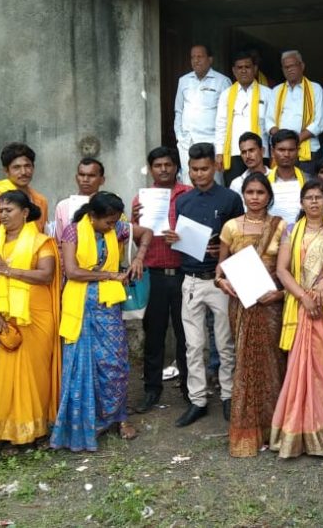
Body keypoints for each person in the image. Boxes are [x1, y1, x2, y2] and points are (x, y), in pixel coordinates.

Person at [50, 191, 142, 450]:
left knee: (116, 363)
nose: (112, 226)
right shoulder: (73, 232)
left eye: (115, 221)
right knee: (81, 366)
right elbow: (73, 271)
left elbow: (145, 234)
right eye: (108, 222)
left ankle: (119, 417)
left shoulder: (117, 229)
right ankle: (87, 423)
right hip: (80, 306)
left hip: (108, 308)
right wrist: (110, 275)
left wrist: (138, 258)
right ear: (92, 216)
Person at [271, 180, 323, 458]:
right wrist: (303, 297)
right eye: (309, 198)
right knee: (301, 367)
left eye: (319, 197)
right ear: (302, 202)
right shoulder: (291, 232)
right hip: (302, 306)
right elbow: (282, 270)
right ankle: (300, 430)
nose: (314, 202)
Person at [168, 142, 245, 427]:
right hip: (190, 279)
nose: (199, 174)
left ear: (214, 167)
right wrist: (173, 239)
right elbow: (181, 236)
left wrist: (223, 251)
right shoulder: (183, 201)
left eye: (204, 169)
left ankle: (228, 396)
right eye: (194, 169)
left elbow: (240, 238)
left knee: (225, 343)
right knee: (194, 345)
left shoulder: (230, 199)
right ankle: (197, 400)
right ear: (188, 169)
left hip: (220, 280)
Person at [0, 190, 61, 451]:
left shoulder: (42, 242)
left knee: (35, 375)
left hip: (36, 318)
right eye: (1, 210)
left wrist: (7, 270)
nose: (3, 215)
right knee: (2, 376)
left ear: (25, 212)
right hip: (3, 319)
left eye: (9, 210)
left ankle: (35, 432)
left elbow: (45, 275)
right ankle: (7, 434)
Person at [215, 173, 287, 457]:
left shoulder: (281, 226)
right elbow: (220, 267)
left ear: (269, 196)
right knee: (245, 362)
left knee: (274, 362)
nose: (255, 197)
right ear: (243, 195)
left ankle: (275, 430)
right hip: (242, 303)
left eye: (260, 192)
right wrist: (221, 282)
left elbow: (289, 269)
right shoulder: (231, 226)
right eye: (250, 192)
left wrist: (280, 294)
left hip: (272, 303)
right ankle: (247, 432)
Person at [134, 147, 193, 413]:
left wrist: (181, 236)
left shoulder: (189, 195)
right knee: (154, 334)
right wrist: (136, 223)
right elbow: (135, 240)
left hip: (183, 273)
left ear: (176, 167)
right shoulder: (142, 199)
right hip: (154, 274)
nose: (164, 169)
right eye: (158, 165)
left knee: (186, 334)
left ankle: (190, 388)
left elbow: (198, 234)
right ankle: (151, 389)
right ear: (151, 169)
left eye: (168, 164)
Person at [174, 44, 232, 185]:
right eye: (193, 57)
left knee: (214, 182)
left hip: (212, 142)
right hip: (187, 141)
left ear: (210, 59)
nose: (196, 60)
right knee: (188, 182)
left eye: (200, 56)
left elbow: (227, 116)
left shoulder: (222, 81)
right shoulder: (183, 80)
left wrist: (221, 147)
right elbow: (178, 110)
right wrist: (179, 136)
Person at [216, 50, 271, 187]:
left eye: (247, 67)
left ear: (255, 69)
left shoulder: (268, 93)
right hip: (234, 152)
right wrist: (219, 152)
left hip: (261, 152)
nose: (243, 71)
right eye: (240, 67)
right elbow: (221, 125)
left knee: (261, 188)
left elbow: (272, 125)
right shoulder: (226, 94)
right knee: (235, 189)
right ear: (234, 71)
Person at [266, 50, 323, 171]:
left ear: (302, 66)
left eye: (293, 65)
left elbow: (319, 123)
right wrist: (283, 140)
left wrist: (294, 140)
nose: (289, 69)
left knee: (307, 181)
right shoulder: (276, 91)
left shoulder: (315, 89)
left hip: (308, 150)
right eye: (286, 67)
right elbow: (269, 121)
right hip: (282, 150)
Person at [0, 142, 49, 236]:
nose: (23, 172)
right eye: (16, 167)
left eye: (27, 166)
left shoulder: (41, 201)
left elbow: (43, 235)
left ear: (33, 168)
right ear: (6, 171)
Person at [54, 158, 106, 242]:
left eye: (91, 175)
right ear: (76, 178)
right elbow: (59, 242)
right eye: (82, 175)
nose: (85, 179)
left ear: (102, 180)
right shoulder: (63, 206)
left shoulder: (110, 206)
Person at [266, 130, 307, 224]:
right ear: (272, 152)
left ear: (298, 151)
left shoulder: (308, 181)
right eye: (281, 150)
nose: (286, 154)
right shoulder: (263, 183)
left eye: (291, 150)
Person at [227, 132, 269, 196]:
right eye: (244, 152)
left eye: (251, 150)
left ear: (262, 151)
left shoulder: (275, 178)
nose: (247, 156)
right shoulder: (237, 184)